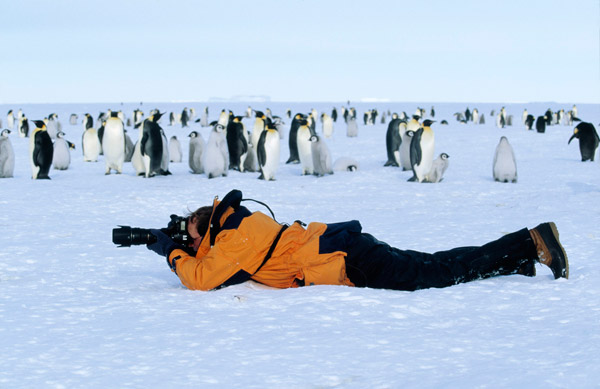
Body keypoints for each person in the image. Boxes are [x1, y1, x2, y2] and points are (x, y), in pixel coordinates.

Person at [146, 189, 569, 291]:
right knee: (435, 262)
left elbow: (202, 278)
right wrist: (187, 241)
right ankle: (516, 262)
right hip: (346, 248)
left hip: (350, 260)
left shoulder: (234, 237)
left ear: (209, 225)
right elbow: (221, 267)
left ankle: (531, 241)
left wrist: (170, 249)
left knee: (437, 273)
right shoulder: (242, 224)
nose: (196, 242)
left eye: (196, 234)